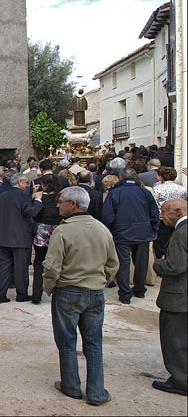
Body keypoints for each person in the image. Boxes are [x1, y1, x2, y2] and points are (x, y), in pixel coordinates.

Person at [43, 186, 119, 406]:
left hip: (68, 291)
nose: (58, 205)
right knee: (94, 342)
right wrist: (101, 281)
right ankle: (96, 392)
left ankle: (71, 386)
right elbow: (113, 263)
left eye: (61, 201)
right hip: (94, 292)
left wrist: (50, 287)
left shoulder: (63, 231)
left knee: (66, 340)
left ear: (73, 205)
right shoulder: (102, 229)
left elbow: (52, 266)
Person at [101, 168, 160, 304]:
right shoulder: (144, 192)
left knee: (123, 264)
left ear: (120, 178)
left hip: (121, 233)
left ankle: (125, 293)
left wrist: (108, 231)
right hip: (143, 232)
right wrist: (153, 228)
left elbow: (107, 215)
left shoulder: (115, 193)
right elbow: (154, 212)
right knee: (141, 263)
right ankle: (139, 290)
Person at [151, 198, 187, 396]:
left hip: (178, 297)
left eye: (165, 211)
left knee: (175, 341)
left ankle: (180, 381)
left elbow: (175, 266)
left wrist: (158, 265)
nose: (161, 216)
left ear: (179, 211)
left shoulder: (181, 233)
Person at [0, 174, 43, 304]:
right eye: (26, 183)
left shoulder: (1, 196)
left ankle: (0, 294)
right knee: (21, 268)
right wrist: (37, 201)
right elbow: (31, 212)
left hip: (4, 236)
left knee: (3, 267)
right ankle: (21, 294)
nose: (27, 186)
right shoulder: (22, 196)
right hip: (20, 237)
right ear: (20, 182)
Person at [31, 175, 63, 304]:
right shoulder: (61, 197)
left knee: (39, 263)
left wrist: (34, 194)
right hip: (57, 230)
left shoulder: (40, 197)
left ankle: (36, 295)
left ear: (44, 185)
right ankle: (57, 293)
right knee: (59, 262)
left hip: (42, 230)